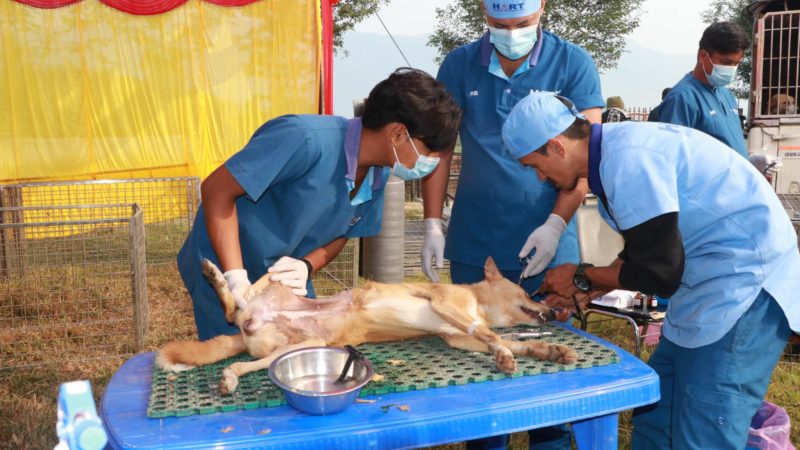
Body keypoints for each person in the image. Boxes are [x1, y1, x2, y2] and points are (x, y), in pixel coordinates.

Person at [501, 91, 800, 449]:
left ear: (556, 146)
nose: (540, 177)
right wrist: (588, 288)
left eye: (534, 165)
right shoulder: (611, 156)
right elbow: (646, 245)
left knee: (706, 427)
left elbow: (660, 274)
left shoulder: (628, 160)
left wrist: (582, 275)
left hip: (746, 285)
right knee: (655, 415)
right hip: (706, 284)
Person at [424, 0, 603, 448]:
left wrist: (556, 226)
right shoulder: (460, 65)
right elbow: (441, 150)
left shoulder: (572, 64)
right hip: (477, 242)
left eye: (522, 23)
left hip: (549, 243)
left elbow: (587, 157)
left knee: (552, 377)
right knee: (483, 375)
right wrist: (431, 222)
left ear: (541, 7)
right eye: (499, 24)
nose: (511, 33)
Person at [178, 68, 462, 341]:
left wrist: (305, 265)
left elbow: (342, 233)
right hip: (223, 264)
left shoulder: (377, 175)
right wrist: (235, 277)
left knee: (301, 344)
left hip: (283, 276)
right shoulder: (304, 139)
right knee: (238, 346)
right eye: (429, 153)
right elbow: (216, 190)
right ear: (398, 134)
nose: (432, 164)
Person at [658, 21, 782, 177]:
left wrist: (750, 159)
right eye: (726, 62)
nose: (731, 69)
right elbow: (671, 160)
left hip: (732, 189)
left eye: (736, 64)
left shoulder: (726, 94)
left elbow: (725, 145)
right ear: (703, 56)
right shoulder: (682, 98)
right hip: (706, 195)